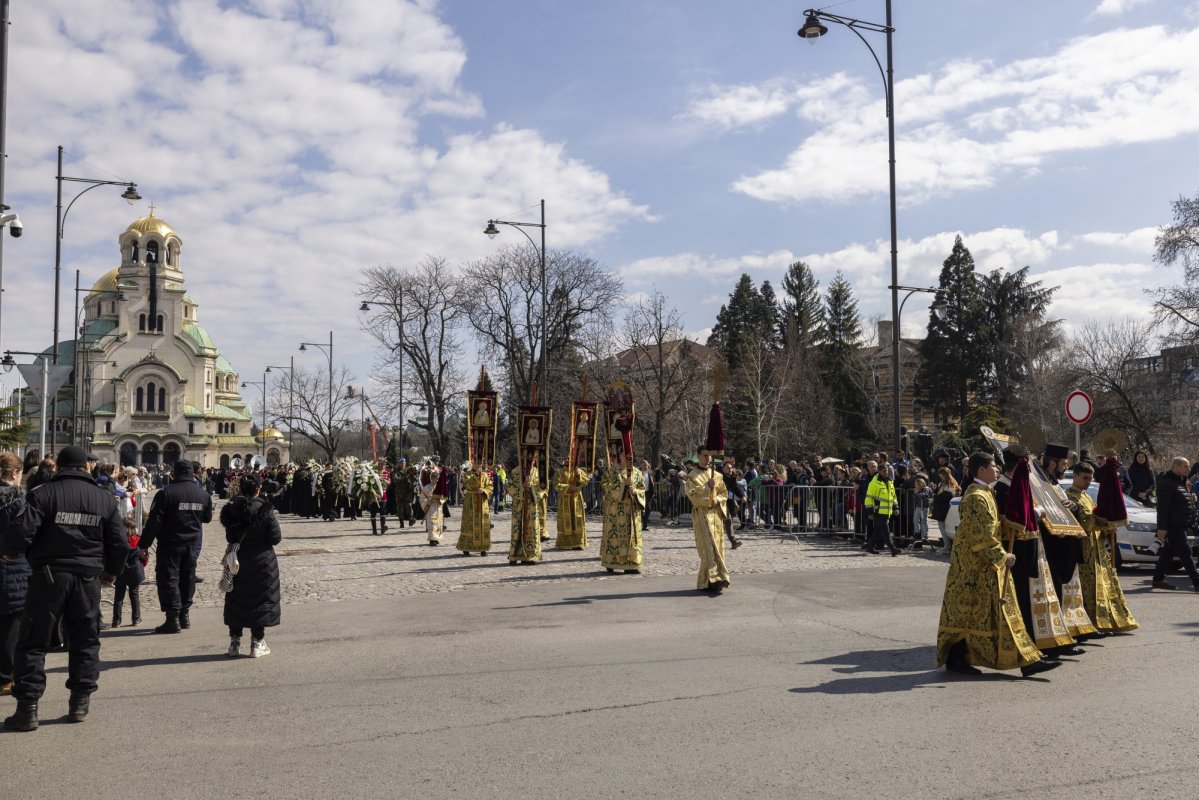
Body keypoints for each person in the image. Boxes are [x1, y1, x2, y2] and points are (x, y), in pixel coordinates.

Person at [2, 446, 128, 731]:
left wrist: (11, 552)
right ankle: (80, 703)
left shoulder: (43, 494)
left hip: (48, 576)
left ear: (58, 467)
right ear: (86, 468)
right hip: (88, 578)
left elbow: (22, 532)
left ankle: (28, 709)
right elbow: (119, 543)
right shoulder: (104, 499)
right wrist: (111, 572)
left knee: (33, 642)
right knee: (85, 641)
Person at [935, 451, 1058, 679]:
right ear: (981, 470)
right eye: (993, 466)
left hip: (982, 568)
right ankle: (1024, 662)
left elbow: (991, 525)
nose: (997, 469)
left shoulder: (985, 493)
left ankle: (1024, 660)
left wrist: (1011, 523)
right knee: (979, 613)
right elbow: (981, 535)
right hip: (975, 568)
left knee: (978, 615)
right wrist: (1003, 557)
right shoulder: (977, 497)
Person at [139, 460, 213, 634]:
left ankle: (172, 619)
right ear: (193, 473)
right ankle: (184, 616)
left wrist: (144, 545)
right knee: (188, 577)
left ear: (174, 474)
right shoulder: (203, 495)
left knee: (169, 578)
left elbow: (154, 522)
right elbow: (207, 518)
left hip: (170, 543)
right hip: (192, 544)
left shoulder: (165, 493)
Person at [1068, 460, 1138, 632]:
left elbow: (1097, 519)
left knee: (1104, 585)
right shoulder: (1069, 496)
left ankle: (1108, 620)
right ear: (1075, 476)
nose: (1088, 482)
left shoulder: (1086, 497)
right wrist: (1103, 521)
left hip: (1098, 547)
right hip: (1083, 549)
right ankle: (1091, 623)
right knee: (1089, 588)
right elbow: (1086, 523)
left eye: (1090, 479)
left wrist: (1108, 526)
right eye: (1084, 478)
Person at [220, 475, 282, 658]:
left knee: (236, 599)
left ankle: (234, 642)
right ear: (258, 488)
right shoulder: (265, 508)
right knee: (261, 599)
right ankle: (257, 642)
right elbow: (275, 538)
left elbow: (230, 537)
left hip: (238, 560)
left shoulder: (232, 508)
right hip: (263, 560)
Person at [687, 402, 730, 594]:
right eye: (704, 456)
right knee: (708, 549)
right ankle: (714, 579)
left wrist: (718, 499)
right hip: (702, 515)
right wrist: (707, 487)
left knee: (718, 547)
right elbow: (693, 495)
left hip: (715, 515)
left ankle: (712, 580)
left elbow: (724, 494)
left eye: (709, 456)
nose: (707, 459)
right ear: (698, 456)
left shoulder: (718, 475)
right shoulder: (692, 475)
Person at [0, 452, 31, 696]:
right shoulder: (18, 502)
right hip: (13, 568)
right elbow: (25, 535)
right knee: (11, 628)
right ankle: (5, 678)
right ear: (14, 473)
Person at [1151, 457, 1199, 591]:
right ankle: (1197, 582)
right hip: (1173, 525)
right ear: (1175, 466)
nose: (1188, 469)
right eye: (1185, 466)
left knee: (1168, 552)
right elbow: (1162, 508)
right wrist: (1162, 528)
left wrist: (1191, 498)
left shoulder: (1180, 482)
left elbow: (1179, 501)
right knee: (1186, 553)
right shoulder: (1166, 483)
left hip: (1181, 523)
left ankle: (1158, 579)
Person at [600, 450, 646, 574]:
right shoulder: (612, 471)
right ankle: (611, 562)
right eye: (624, 454)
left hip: (632, 512)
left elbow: (642, 488)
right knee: (614, 537)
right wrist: (623, 486)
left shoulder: (637, 472)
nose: (627, 457)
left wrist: (635, 491)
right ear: (620, 456)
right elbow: (606, 485)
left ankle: (632, 564)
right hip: (615, 512)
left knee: (632, 537)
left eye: (629, 455)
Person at [509, 458, 546, 565]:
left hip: (532, 506)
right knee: (517, 530)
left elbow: (543, 488)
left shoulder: (538, 473)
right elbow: (510, 486)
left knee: (532, 530)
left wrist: (532, 488)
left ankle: (529, 556)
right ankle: (514, 555)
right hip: (519, 506)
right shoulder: (515, 471)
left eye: (533, 458)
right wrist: (522, 490)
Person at [111, 517, 145, 628]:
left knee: (118, 597)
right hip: (134, 571)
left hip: (121, 570)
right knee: (134, 595)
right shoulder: (138, 539)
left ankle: (116, 620)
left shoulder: (118, 540)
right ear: (133, 528)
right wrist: (142, 565)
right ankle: (136, 618)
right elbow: (144, 556)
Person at [456, 462, 493, 556]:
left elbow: (490, 486)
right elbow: (467, 485)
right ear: (473, 464)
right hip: (470, 503)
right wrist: (476, 475)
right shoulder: (466, 474)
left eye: (479, 464)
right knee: (469, 524)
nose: (478, 466)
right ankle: (466, 547)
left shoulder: (484, 475)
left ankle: (483, 548)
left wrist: (484, 491)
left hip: (482, 503)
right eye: (476, 463)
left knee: (483, 523)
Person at [864, 464, 900, 556]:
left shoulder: (889, 481)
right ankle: (893, 549)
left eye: (887, 470)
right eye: (884, 470)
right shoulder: (874, 483)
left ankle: (869, 547)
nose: (886, 472)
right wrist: (870, 512)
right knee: (885, 531)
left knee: (878, 532)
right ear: (879, 471)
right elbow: (868, 498)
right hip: (878, 511)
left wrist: (895, 507)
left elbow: (893, 496)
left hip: (887, 511)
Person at [553, 461, 589, 550]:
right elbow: (556, 485)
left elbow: (586, 481)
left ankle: (578, 543)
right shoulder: (559, 472)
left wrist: (578, 475)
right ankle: (563, 543)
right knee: (565, 520)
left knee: (577, 520)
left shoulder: (579, 471)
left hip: (576, 499)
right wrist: (568, 487)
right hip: (564, 500)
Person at [930, 467, 959, 554]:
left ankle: (947, 546)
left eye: (941, 475)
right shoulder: (943, 483)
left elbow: (945, 497)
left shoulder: (949, 484)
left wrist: (935, 496)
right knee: (942, 527)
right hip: (942, 508)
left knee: (943, 528)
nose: (940, 476)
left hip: (944, 508)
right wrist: (935, 490)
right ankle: (947, 546)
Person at [419, 458, 448, 545]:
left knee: (438, 522)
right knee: (432, 523)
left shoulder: (439, 488)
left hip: (438, 506)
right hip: (430, 507)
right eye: (434, 479)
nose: (436, 481)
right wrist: (427, 501)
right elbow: (421, 498)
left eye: (437, 479)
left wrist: (440, 499)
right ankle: (432, 539)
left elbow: (444, 496)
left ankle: (436, 538)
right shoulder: (426, 487)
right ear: (431, 479)